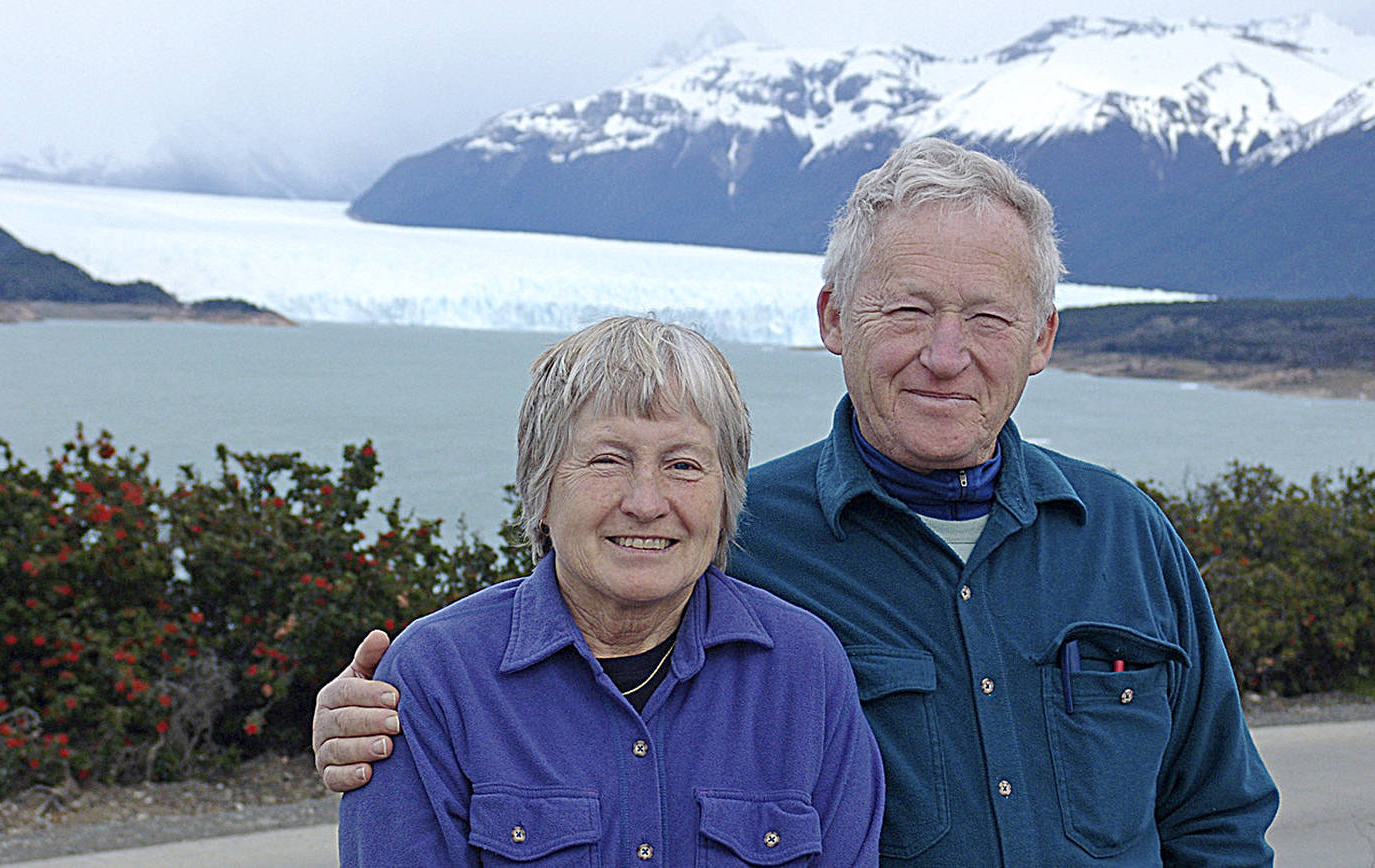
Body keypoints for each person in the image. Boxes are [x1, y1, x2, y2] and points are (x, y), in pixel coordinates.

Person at [317, 139, 1278, 865]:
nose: (946, 356)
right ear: (832, 319)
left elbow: (1217, 818)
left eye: (988, 317)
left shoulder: (1127, 538)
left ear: (1042, 338)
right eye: (906, 310)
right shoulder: (738, 535)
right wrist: (368, 713)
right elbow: (576, 623)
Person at [337, 315, 883, 865]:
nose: (646, 502)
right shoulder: (437, 678)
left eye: (683, 465)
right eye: (607, 461)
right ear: (541, 491)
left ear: (726, 499)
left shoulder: (804, 670)